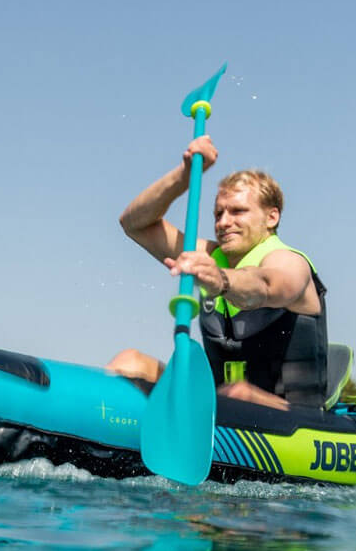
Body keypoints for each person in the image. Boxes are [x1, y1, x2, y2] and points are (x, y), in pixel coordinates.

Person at [108, 137, 328, 410]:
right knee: (129, 362)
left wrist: (221, 280)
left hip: (295, 415)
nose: (223, 222)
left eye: (238, 211)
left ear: (271, 217)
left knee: (237, 393)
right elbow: (135, 224)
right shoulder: (212, 256)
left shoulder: (289, 261)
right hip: (220, 403)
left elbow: (266, 285)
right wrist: (183, 176)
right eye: (218, 213)